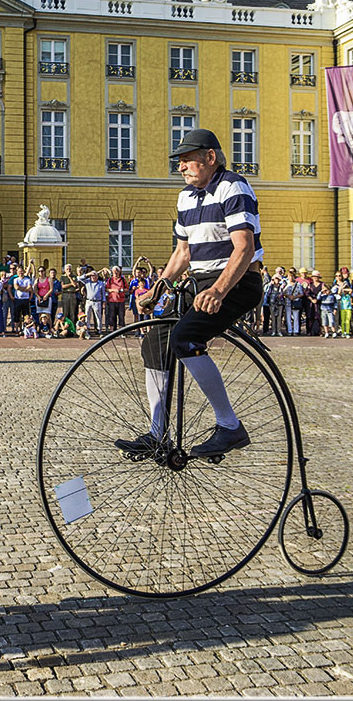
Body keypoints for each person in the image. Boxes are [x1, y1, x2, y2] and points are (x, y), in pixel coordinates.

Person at [116, 128, 264, 459]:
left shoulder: (232, 187)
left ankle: (229, 426)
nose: (181, 167)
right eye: (179, 162)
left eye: (187, 160)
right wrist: (160, 286)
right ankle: (157, 434)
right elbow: (183, 252)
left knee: (185, 339)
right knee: (155, 344)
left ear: (210, 158)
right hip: (199, 284)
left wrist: (218, 289)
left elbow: (244, 247)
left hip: (236, 282)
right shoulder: (186, 197)